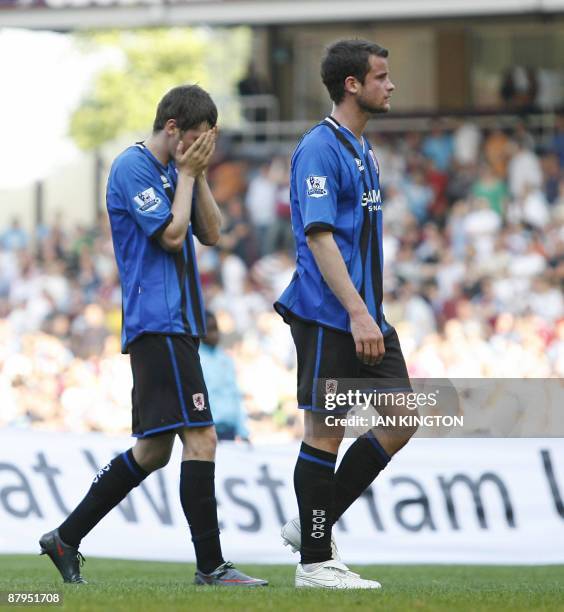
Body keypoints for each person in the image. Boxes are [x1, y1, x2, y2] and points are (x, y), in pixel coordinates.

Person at [38, 85, 267, 588]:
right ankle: (211, 566)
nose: (204, 148)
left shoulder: (178, 171)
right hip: (156, 319)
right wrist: (185, 174)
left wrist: (196, 173)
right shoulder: (132, 167)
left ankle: (65, 537)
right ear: (172, 130)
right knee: (202, 437)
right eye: (199, 139)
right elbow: (170, 233)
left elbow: (210, 231)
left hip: (178, 322)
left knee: (153, 451)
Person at [274, 40, 416, 589]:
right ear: (352, 85)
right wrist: (358, 314)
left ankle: (313, 524)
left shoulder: (363, 150)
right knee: (325, 430)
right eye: (381, 76)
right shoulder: (319, 149)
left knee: (401, 418)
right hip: (331, 313)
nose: (391, 84)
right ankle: (315, 563)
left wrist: (370, 315)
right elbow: (319, 238)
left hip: (366, 315)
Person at [199, 311, 249, 441]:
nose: (215, 334)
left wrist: (243, 431)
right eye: (210, 330)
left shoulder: (226, 359)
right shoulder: (195, 360)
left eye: (216, 329)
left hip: (229, 429)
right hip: (207, 429)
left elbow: (235, 395)